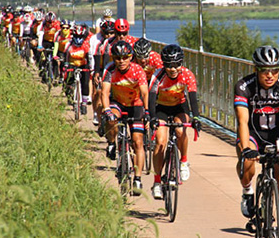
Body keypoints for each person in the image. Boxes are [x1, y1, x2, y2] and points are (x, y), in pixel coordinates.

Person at [234, 45, 279, 238]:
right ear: (256, 70)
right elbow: (242, 121)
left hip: (276, 134)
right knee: (247, 162)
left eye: (275, 70)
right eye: (265, 70)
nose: (270, 75)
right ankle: (248, 192)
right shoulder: (244, 86)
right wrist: (246, 148)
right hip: (253, 133)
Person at [148, 44, 200, 199]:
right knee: (160, 142)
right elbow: (151, 99)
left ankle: (184, 161)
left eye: (177, 64)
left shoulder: (187, 75)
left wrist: (196, 118)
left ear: (181, 63)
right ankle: (157, 182)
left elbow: (193, 99)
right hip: (162, 109)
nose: (173, 69)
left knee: (179, 129)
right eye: (169, 66)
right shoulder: (157, 75)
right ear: (164, 65)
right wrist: (152, 118)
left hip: (180, 107)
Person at [101, 41, 149, 193]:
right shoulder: (109, 69)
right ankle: (111, 142)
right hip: (118, 103)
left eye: (125, 57)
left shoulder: (137, 70)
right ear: (113, 58)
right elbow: (104, 92)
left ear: (130, 57)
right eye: (117, 58)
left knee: (138, 142)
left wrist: (147, 112)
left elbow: (145, 92)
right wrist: (107, 110)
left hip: (135, 105)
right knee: (111, 118)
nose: (121, 61)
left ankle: (138, 179)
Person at [62, 24, 92, 115]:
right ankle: (70, 94)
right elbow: (65, 56)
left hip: (83, 65)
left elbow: (90, 57)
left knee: (85, 83)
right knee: (67, 80)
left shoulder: (86, 45)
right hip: (71, 65)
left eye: (80, 36)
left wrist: (91, 67)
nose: (78, 38)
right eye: (76, 36)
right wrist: (65, 65)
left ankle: (84, 103)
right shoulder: (69, 44)